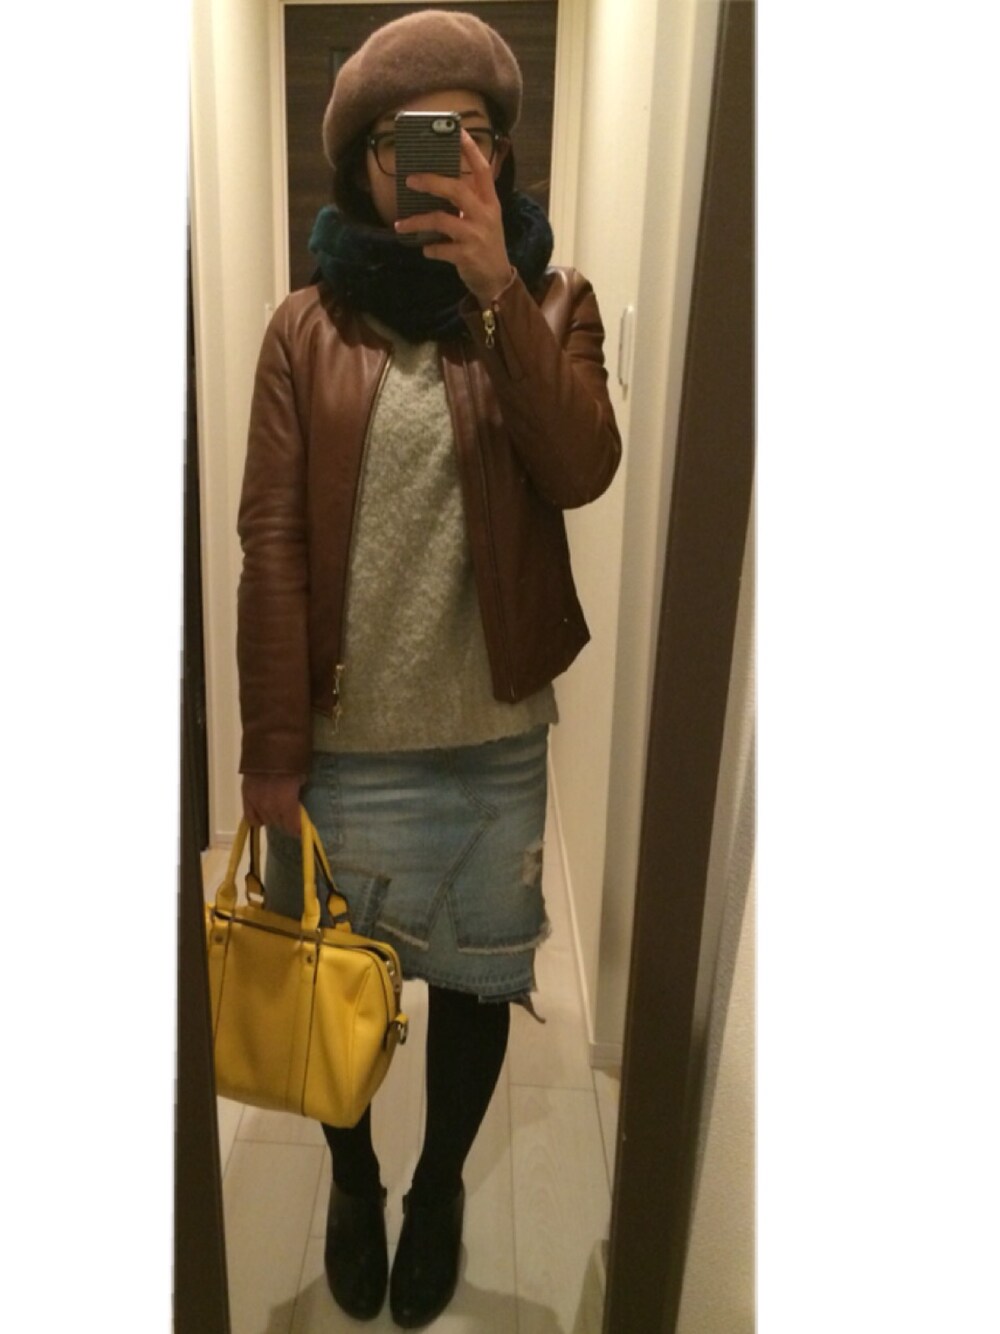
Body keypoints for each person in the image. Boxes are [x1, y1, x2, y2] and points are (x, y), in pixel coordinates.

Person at [236, 9, 621, 1327]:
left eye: (469, 136)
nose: (442, 160)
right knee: (327, 986)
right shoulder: (301, 329)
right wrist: (271, 758)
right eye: (410, 140)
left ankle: (440, 1184)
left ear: (500, 157)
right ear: (362, 165)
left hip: (492, 744)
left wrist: (501, 297)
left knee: (472, 985)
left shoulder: (555, 305)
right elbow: (273, 544)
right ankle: (352, 1180)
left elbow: (581, 468)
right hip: (340, 751)